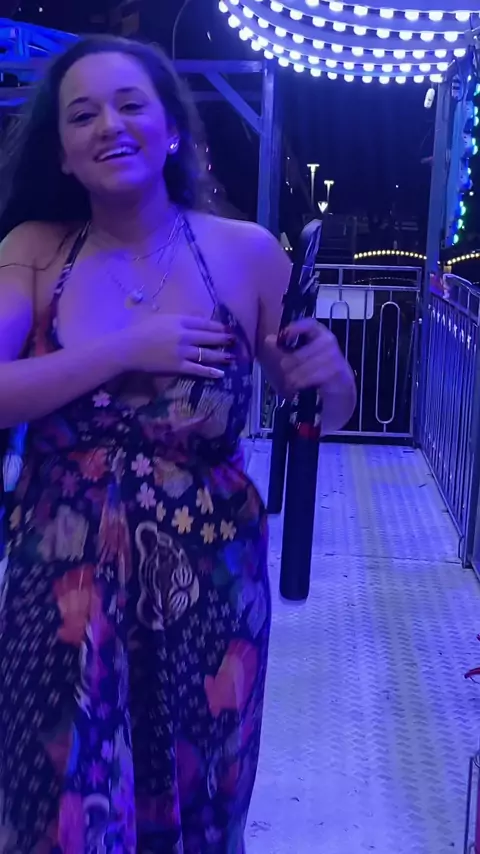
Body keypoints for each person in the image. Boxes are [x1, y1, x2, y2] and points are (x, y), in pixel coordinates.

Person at [0, 35, 356, 853]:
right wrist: (126, 348)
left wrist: (332, 376)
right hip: (59, 585)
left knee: (199, 797)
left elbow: (316, 407)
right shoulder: (31, 251)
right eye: (82, 114)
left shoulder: (246, 252)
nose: (108, 125)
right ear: (61, 152)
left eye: (131, 105)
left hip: (210, 583)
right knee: (53, 798)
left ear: (169, 131)